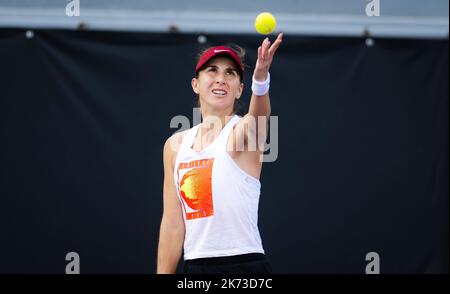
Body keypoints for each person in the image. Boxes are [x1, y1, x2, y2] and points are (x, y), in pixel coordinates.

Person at [157, 33, 283, 274]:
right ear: (196, 84)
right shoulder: (175, 145)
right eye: (212, 71)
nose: (221, 79)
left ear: (239, 89)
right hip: (196, 267)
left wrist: (261, 80)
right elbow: (173, 224)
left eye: (230, 73)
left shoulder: (242, 132)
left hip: (245, 266)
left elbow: (258, 117)